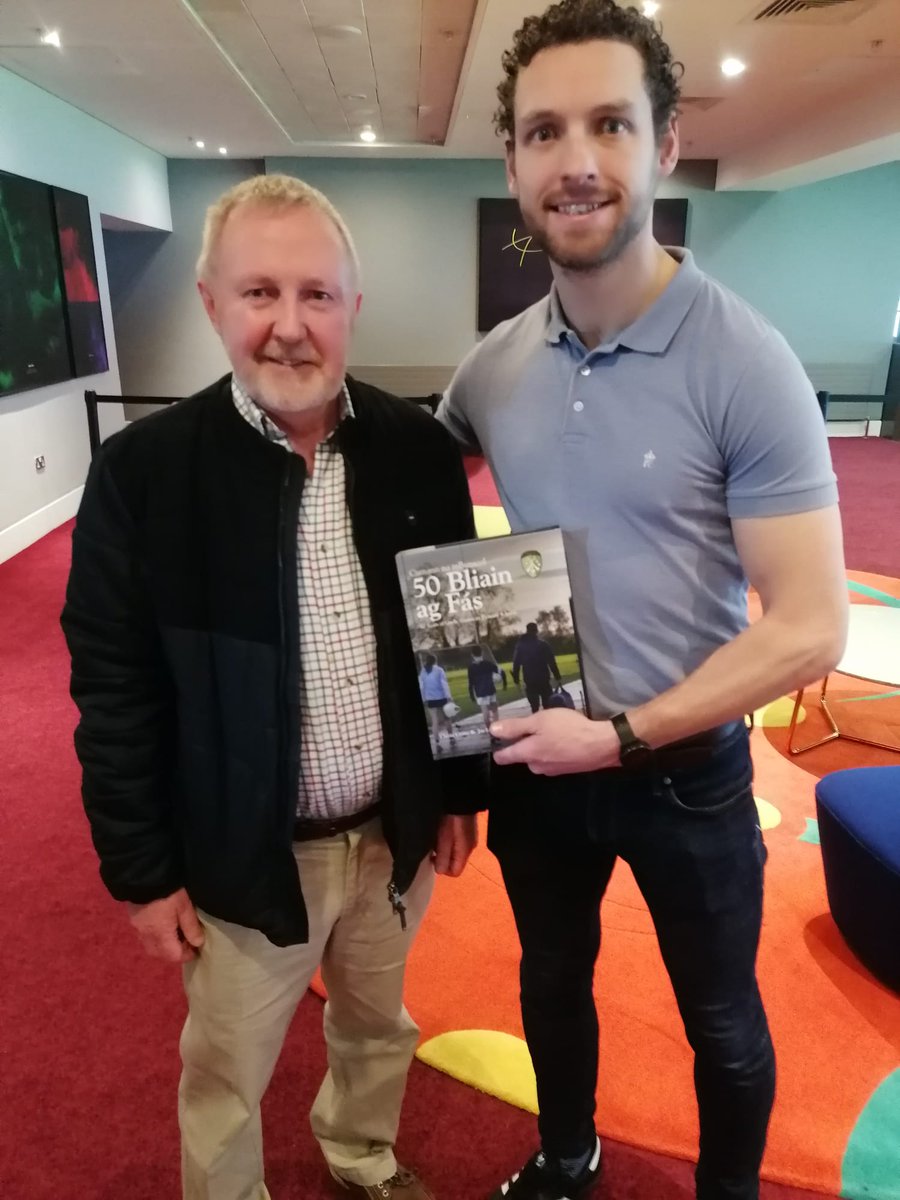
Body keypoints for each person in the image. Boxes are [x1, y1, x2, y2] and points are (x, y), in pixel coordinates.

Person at [437, 4, 848, 1199]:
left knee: (721, 1021)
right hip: (535, 763)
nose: (576, 160)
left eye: (610, 124)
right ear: (512, 164)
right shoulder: (496, 364)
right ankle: (568, 1157)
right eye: (544, 131)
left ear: (664, 145)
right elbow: (400, 500)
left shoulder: (748, 362)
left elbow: (810, 625)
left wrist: (619, 735)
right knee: (549, 981)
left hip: (688, 774)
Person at [61, 173, 486, 1200]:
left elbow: (456, 634)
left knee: (379, 1027)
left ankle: (360, 1153)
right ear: (211, 304)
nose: (289, 327)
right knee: (226, 1070)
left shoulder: (422, 451)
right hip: (246, 857)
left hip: (394, 836)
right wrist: (140, 869)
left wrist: (463, 789)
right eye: (259, 294)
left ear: (352, 308)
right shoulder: (143, 476)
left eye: (316, 295)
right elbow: (113, 690)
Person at [511, 622, 562, 713]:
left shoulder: (520, 646)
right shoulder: (543, 644)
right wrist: (557, 676)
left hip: (529, 679)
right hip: (543, 678)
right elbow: (551, 662)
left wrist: (516, 679)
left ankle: (536, 722)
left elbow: (516, 664)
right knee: (547, 705)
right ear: (536, 631)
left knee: (534, 707)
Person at [419, 653, 456, 748]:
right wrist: (449, 696)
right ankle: (451, 738)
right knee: (447, 719)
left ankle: (437, 742)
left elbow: (422, 688)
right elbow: (444, 684)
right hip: (442, 698)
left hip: (430, 700)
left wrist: (424, 699)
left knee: (434, 721)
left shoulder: (422, 672)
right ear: (435, 661)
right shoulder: (439, 670)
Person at [467, 645, 504, 730]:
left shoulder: (471, 668)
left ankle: (490, 732)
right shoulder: (488, 664)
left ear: (472, 655)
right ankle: (496, 729)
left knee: (485, 713)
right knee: (494, 711)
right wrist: (500, 676)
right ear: (482, 653)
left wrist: (471, 694)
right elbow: (499, 671)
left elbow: (471, 682)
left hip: (480, 692)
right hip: (490, 690)